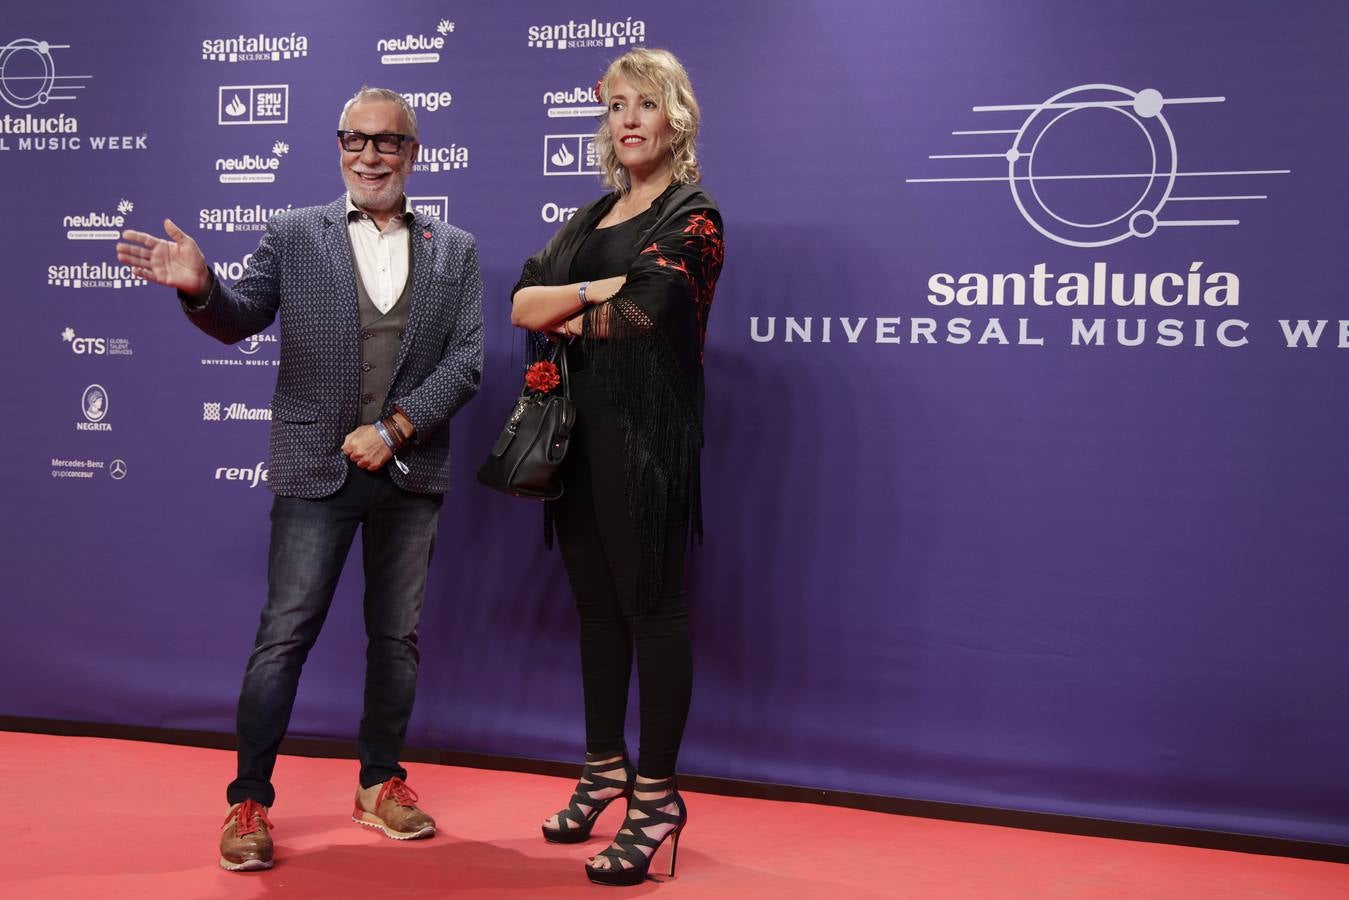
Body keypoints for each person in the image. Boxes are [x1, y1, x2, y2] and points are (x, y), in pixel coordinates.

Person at [115, 86, 484, 872]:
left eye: (387, 142)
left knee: (397, 640)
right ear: (339, 147)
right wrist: (200, 287)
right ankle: (248, 799)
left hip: (409, 472)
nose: (369, 155)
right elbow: (241, 312)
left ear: (413, 154)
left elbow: (467, 361)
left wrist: (393, 429)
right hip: (313, 468)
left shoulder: (456, 248)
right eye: (355, 139)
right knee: (282, 639)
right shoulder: (292, 232)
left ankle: (380, 784)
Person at [509, 48, 724, 886]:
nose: (627, 119)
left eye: (644, 104)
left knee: (653, 614)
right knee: (596, 615)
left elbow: (646, 310)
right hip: (574, 442)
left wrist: (593, 300)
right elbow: (525, 302)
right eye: (615, 106)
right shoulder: (591, 214)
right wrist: (598, 290)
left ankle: (658, 795)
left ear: (676, 118)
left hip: (646, 446)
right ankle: (605, 769)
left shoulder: (693, 212)